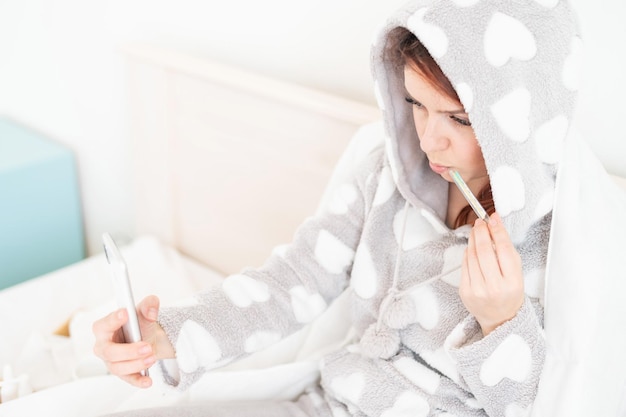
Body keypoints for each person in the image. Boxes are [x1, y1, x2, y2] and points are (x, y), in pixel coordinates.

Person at [93, 1, 626, 416]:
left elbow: (549, 403)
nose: (429, 140)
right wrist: (171, 339)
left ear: (524, 120)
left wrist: (502, 322)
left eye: (460, 120)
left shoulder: (567, 239)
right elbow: (294, 280)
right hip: (331, 402)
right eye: (416, 104)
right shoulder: (386, 175)